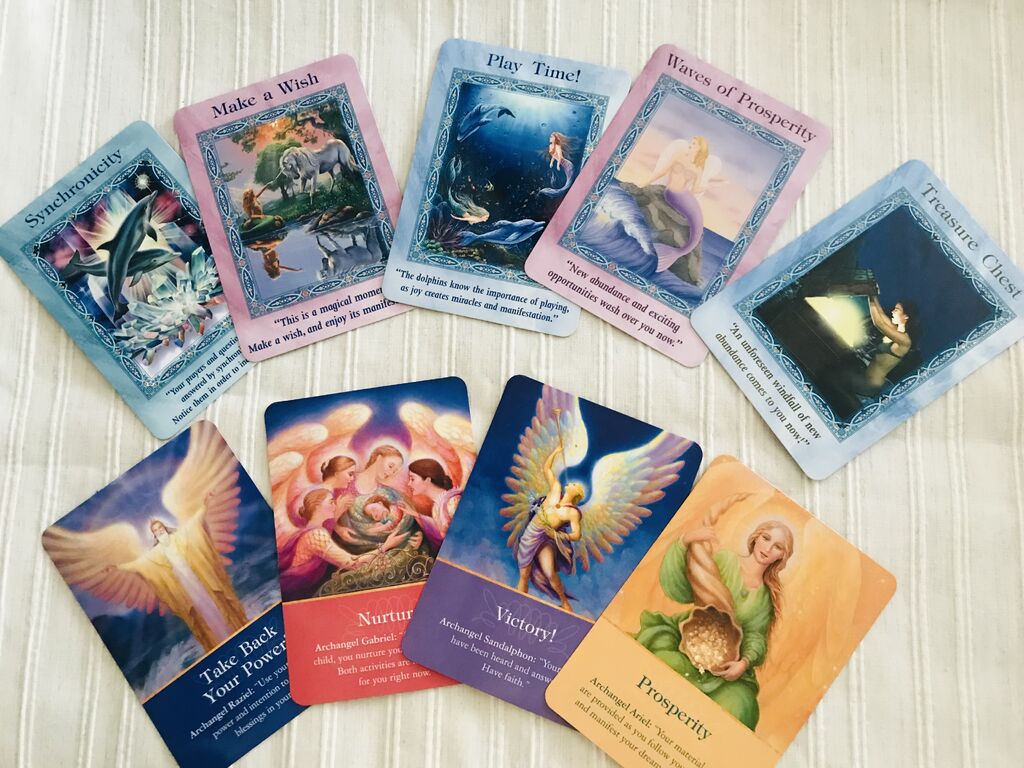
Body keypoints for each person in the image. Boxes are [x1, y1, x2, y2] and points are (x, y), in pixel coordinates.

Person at [636, 517, 794, 730]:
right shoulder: (726, 560)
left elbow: (756, 636)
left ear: (782, 556)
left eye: (777, 547)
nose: (768, 548)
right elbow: (686, 588)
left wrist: (743, 663)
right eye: (766, 538)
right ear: (756, 538)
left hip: (726, 663)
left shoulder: (765, 597)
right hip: (687, 638)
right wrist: (685, 541)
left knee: (740, 705)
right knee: (661, 663)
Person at [513, 447, 584, 612]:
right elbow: (547, 468)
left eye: (574, 485)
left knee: (550, 573)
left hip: (546, 539)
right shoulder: (555, 489)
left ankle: (565, 603)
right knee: (524, 574)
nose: (570, 483)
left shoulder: (572, 513)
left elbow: (577, 535)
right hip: (530, 535)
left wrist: (557, 534)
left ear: (576, 494)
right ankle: (517, 603)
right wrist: (555, 452)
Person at [277, 489, 360, 600]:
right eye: (331, 502)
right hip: (296, 592)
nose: (335, 506)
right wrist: (381, 549)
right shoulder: (316, 534)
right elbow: (351, 563)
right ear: (317, 506)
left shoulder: (310, 531)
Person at [850, 297, 918, 397]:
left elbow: (879, 324)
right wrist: (871, 295)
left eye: (897, 309)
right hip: (865, 378)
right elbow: (880, 313)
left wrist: (872, 302)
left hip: (870, 386)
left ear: (906, 316)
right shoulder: (895, 330)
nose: (892, 312)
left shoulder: (905, 341)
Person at [404, 458, 460, 550]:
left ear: (427, 480)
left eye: (412, 479)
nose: (409, 484)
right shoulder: (436, 507)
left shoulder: (453, 502)